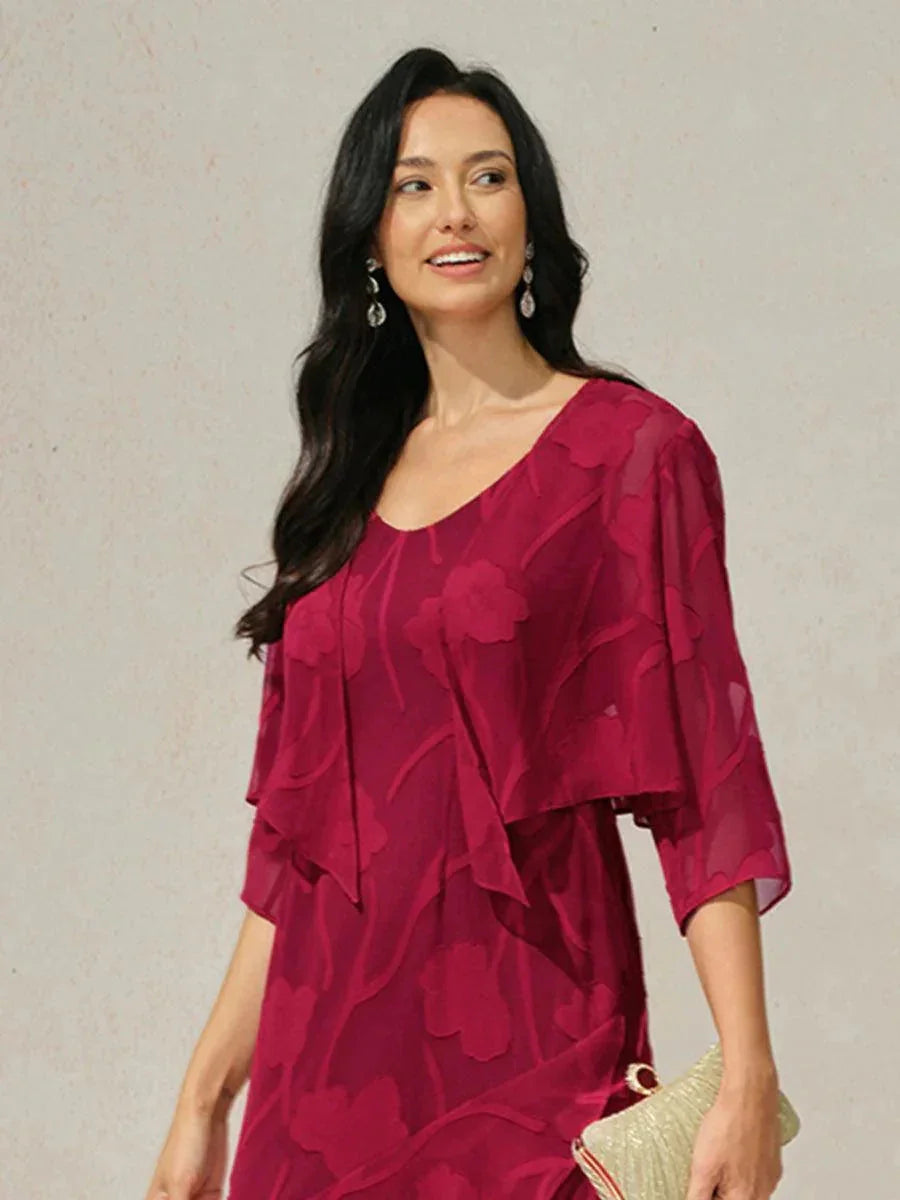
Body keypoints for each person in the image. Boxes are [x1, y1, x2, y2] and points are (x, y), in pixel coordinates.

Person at [146, 46, 793, 1200]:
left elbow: (705, 779)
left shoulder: (629, 456)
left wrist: (747, 1075)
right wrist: (205, 1100)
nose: (455, 210)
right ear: (372, 239)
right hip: (316, 1094)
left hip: (531, 1061)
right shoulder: (344, 495)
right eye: (414, 184)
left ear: (531, 218)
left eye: (488, 177)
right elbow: (296, 850)